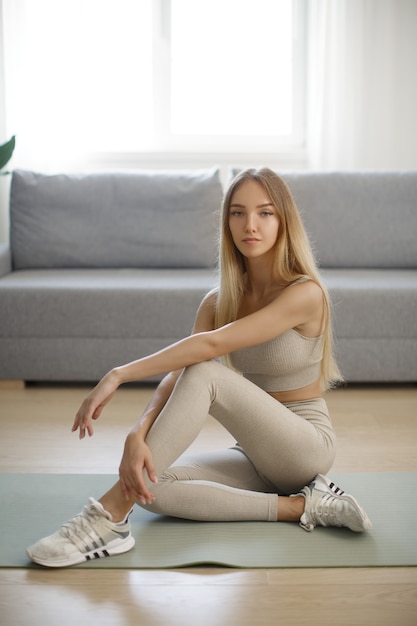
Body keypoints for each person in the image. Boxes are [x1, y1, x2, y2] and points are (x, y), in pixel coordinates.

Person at [26, 168, 372, 568]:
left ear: (285, 221)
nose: (251, 225)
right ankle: (303, 506)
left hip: (305, 446)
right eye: (238, 213)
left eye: (265, 213)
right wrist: (138, 432)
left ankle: (108, 519)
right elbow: (175, 377)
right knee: (152, 485)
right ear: (226, 222)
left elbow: (208, 348)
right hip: (255, 451)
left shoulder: (305, 294)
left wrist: (118, 374)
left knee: (205, 370)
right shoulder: (217, 301)